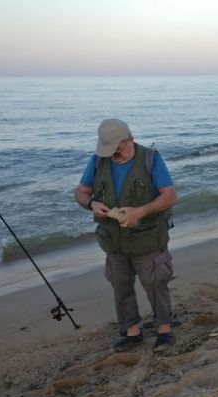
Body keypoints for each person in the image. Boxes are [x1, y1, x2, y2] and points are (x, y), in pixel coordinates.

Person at [74, 118, 178, 353]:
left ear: (129, 139)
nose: (112, 154)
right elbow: (80, 192)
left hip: (148, 237)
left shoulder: (151, 159)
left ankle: (163, 328)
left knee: (155, 282)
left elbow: (170, 195)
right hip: (113, 240)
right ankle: (131, 331)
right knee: (120, 284)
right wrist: (91, 204)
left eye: (117, 149)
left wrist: (140, 212)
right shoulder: (98, 161)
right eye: (108, 150)